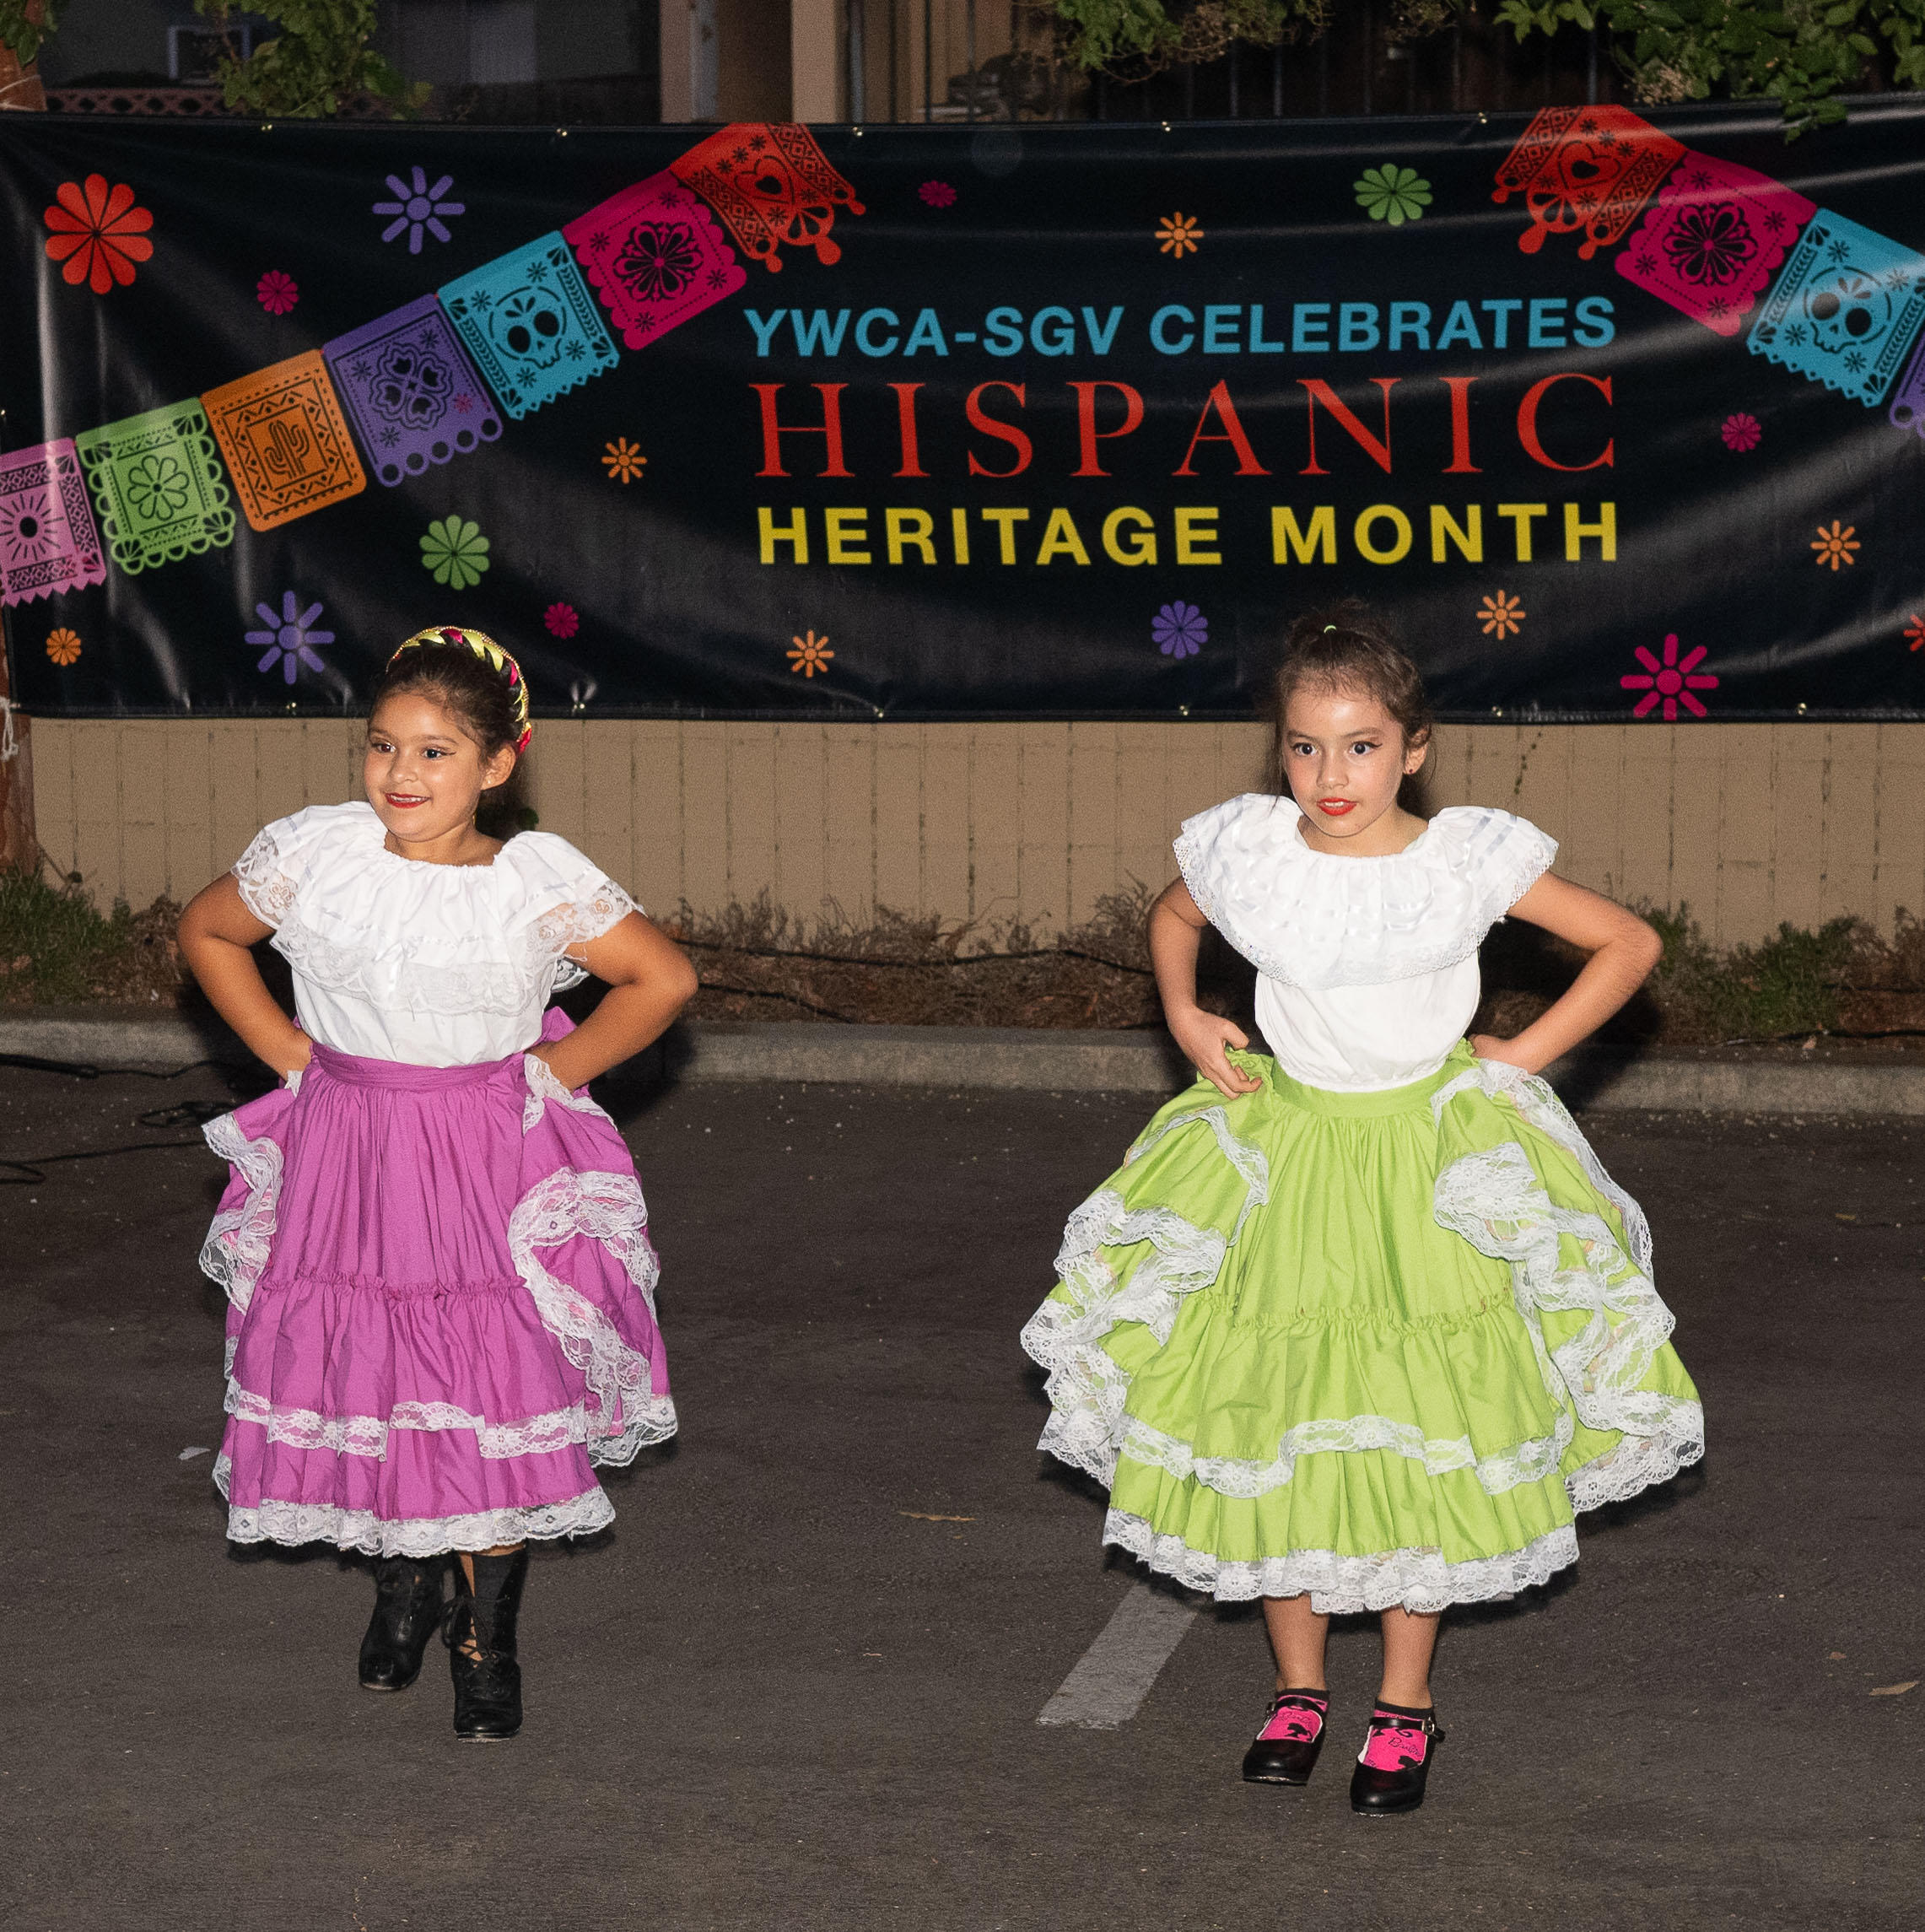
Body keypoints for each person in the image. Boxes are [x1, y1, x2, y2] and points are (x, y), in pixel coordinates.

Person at [1021, 604, 1702, 1816]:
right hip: (1283, 1157)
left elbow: (1625, 943)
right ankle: (1297, 1688)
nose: (1330, 774)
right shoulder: (1250, 850)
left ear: (1413, 749)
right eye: (1305, 746)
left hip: (1421, 1168)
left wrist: (1520, 1057)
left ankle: (1403, 1700)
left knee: (1416, 1417)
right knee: (1272, 1412)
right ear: (1279, 750)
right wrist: (1183, 1012)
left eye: (1361, 745)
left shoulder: (1461, 862)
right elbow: (1172, 917)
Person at [176, 626, 697, 1742]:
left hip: (475, 1162)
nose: (399, 773)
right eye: (382, 745)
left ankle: (486, 1641)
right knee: (369, 1365)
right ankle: (406, 1582)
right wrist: (287, 1051)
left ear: (497, 764)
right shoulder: (320, 852)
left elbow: (661, 977)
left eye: (433, 752)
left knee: (482, 1382)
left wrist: (553, 1070)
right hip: (345, 1153)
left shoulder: (531, 882)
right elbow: (210, 929)